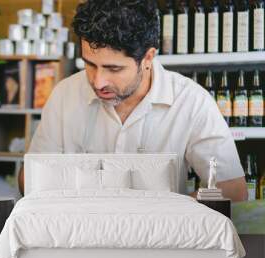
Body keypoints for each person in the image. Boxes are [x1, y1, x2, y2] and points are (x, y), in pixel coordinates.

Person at [19, 0, 247, 201]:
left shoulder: (192, 102)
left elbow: (232, 188)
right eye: (90, 64)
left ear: (147, 58)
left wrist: (166, 211)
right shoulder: (64, 95)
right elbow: (28, 181)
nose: (98, 82)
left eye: (113, 68)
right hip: (79, 236)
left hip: (160, 240)